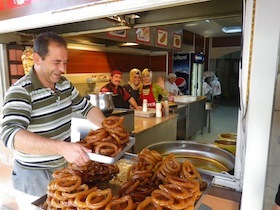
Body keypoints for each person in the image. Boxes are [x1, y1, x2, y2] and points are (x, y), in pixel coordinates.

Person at [1, 31, 105, 209]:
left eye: (65, 62)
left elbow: (85, 108)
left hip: (62, 171)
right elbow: (10, 135)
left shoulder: (64, 85)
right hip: (33, 178)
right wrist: (61, 147)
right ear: (37, 59)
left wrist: (108, 128)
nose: (63, 69)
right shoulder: (21, 91)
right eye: (56, 62)